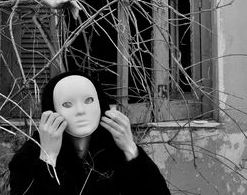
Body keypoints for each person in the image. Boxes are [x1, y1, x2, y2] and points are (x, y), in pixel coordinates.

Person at [9, 71, 171, 195]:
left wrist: (130, 150)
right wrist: (48, 157)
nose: (80, 111)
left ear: (100, 104)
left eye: (88, 100)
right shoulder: (30, 156)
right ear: (52, 111)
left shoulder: (115, 152)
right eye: (67, 104)